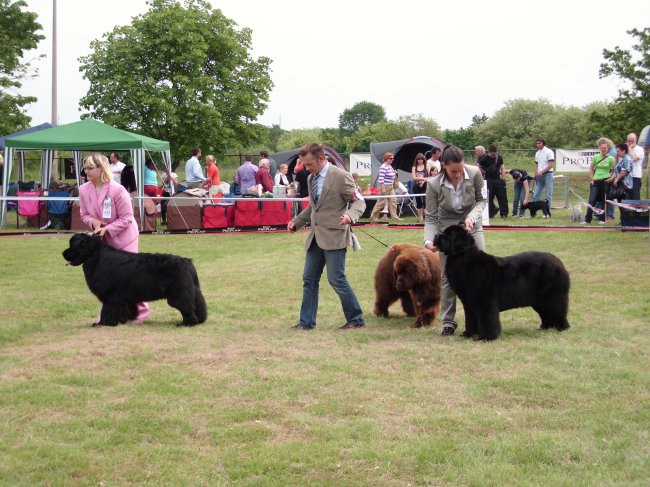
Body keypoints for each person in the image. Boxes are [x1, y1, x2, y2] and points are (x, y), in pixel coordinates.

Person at [288, 142, 366, 330]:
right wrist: (297, 221)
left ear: (321, 159)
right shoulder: (311, 178)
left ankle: (355, 319)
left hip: (335, 236)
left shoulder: (341, 177)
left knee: (336, 279)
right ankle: (306, 322)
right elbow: (314, 206)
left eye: (309, 164)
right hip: (316, 237)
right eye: (304, 165)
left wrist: (350, 215)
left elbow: (359, 202)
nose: (306, 169)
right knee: (309, 280)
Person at [424, 144, 487, 336]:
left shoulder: (475, 173)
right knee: (448, 276)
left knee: (481, 271)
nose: (458, 174)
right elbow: (431, 217)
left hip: (471, 223)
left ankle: (479, 317)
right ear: (444, 166)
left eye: (461, 170)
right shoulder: (433, 184)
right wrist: (429, 241)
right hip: (447, 227)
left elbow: (481, 200)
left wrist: (471, 218)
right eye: (454, 171)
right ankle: (448, 322)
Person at [78, 153, 149, 323]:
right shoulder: (83, 189)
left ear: (101, 168)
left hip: (125, 238)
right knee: (108, 280)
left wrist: (108, 228)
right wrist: (94, 221)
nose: (86, 171)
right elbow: (83, 215)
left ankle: (140, 314)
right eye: (85, 167)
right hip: (103, 241)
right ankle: (110, 315)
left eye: (90, 168)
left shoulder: (118, 190)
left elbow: (127, 218)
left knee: (131, 278)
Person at [583, 138, 615, 225]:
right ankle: (587, 219)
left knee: (603, 201)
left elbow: (614, 170)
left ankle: (602, 219)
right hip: (596, 181)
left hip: (605, 181)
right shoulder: (596, 157)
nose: (603, 149)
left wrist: (610, 178)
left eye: (605, 148)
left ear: (608, 149)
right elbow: (591, 169)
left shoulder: (611, 158)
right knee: (591, 200)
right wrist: (592, 179)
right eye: (602, 148)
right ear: (599, 148)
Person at [369, 152, 401, 222]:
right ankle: (373, 217)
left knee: (393, 200)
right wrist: (383, 189)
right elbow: (381, 179)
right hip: (383, 186)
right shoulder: (383, 167)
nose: (392, 160)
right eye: (391, 158)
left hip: (391, 186)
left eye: (392, 158)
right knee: (381, 202)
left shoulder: (390, 166)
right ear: (386, 158)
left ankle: (395, 217)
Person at [608, 143, 633, 209]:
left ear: (623, 151)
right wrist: (610, 179)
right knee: (620, 204)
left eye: (618, 151)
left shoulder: (626, 158)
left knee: (624, 204)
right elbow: (616, 170)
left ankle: (626, 218)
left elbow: (625, 171)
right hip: (620, 184)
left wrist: (617, 179)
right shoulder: (621, 159)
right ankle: (623, 218)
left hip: (626, 185)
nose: (617, 153)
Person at [532, 137, 555, 206]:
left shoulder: (549, 151)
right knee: (536, 194)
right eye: (536, 143)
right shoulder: (537, 153)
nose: (538, 145)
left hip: (548, 174)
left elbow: (550, 165)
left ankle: (547, 212)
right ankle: (534, 212)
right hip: (539, 176)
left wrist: (541, 172)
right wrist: (535, 173)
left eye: (539, 143)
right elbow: (536, 164)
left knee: (548, 194)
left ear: (543, 143)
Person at [627, 133, 644, 200]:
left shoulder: (640, 149)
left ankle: (636, 210)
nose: (630, 143)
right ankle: (628, 210)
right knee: (627, 196)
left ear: (636, 140)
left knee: (635, 196)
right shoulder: (626, 149)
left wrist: (629, 148)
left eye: (632, 141)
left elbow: (634, 158)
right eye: (629, 141)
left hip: (635, 175)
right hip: (627, 176)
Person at [411, 153, 428, 221]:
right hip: (416, 185)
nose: (420, 160)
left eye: (421, 159)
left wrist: (424, 180)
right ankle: (420, 216)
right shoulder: (414, 167)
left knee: (425, 200)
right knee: (418, 200)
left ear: (423, 159)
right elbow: (414, 178)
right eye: (419, 159)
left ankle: (427, 216)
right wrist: (422, 179)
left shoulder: (426, 166)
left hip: (425, 185)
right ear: (416, 160)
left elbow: (429, 176)